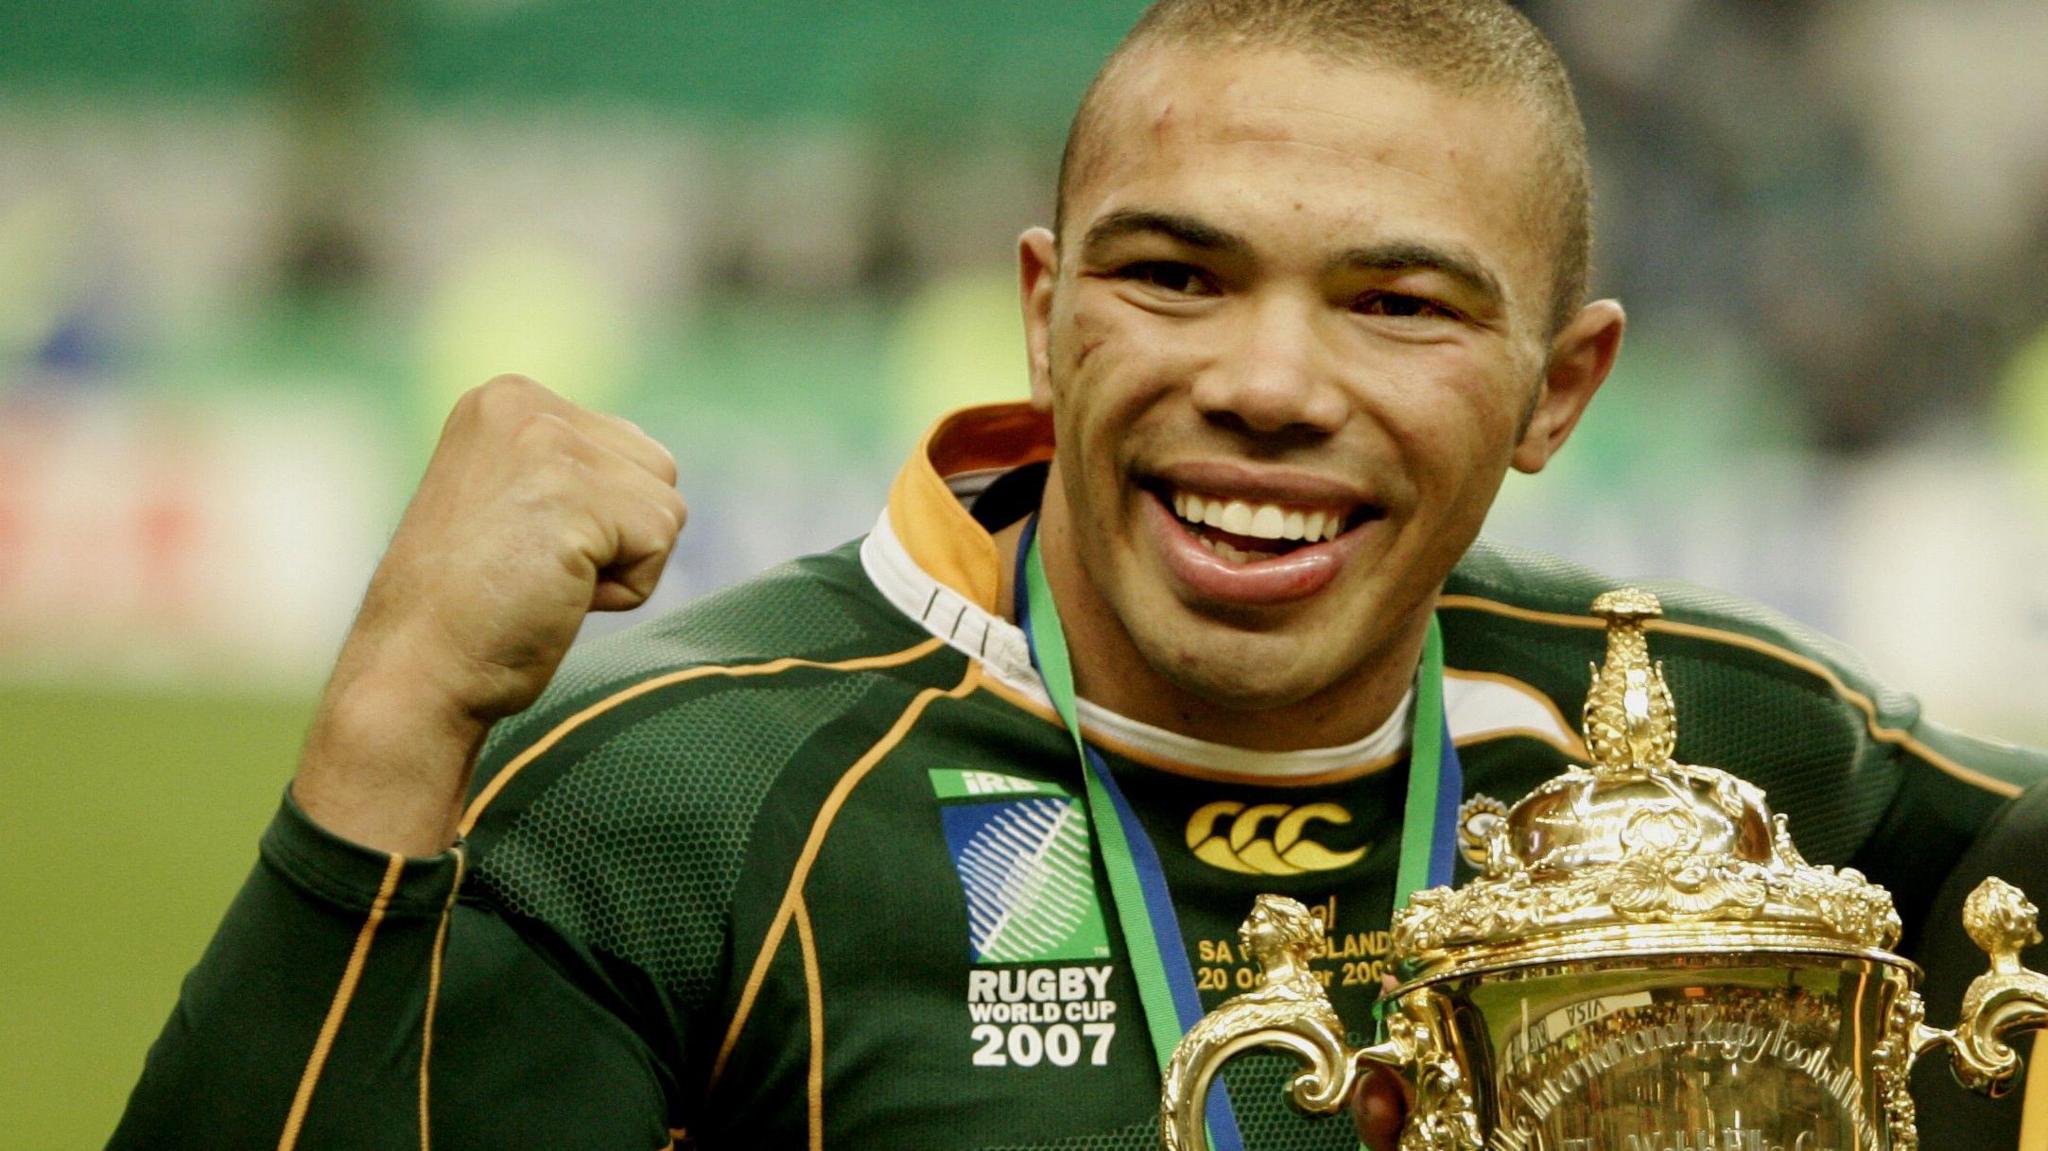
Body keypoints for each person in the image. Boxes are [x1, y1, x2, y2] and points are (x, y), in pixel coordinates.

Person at [111, 1, 2048, 1149]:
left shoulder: (1717, 752)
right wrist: (385, 733)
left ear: (1559, 389)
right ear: (1045, 318)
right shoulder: (674, 801)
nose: (1269, 385)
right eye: (1174, 275)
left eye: (1395, 304)